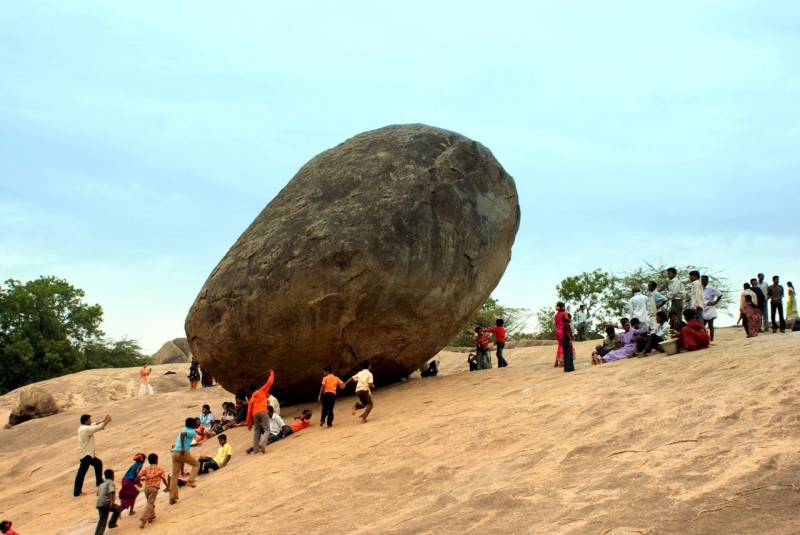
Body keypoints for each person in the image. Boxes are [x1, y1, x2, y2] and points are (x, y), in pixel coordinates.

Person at [74, 414, 112, 497]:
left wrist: (103, 421)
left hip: (88, 454)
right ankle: (77, 491)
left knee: (98, 463)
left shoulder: (84, 427)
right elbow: (96, 427)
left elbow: (94, 424)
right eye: (89, 420)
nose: (91, 421)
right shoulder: (85, 429)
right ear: (86, 421)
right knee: (82, 472)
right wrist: (106, 422)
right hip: (86, 454)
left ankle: (99, 482)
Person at [168, 417, 199, 504]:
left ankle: (172, 498)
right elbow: (183, 435)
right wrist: (182, 448)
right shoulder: (192, 431)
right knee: (196, 464)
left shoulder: (184, 429)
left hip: (175, 453)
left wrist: (195, 445)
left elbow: (186, 442)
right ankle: (190, 481)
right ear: (193, 424)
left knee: (174, 476)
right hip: (182, 453)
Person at [245, 370, 275, 455]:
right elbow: (269, 382)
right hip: (262, 411)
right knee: (267, 429)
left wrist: (249, 423)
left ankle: (255, 449)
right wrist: (272, 373)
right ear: (256, 388)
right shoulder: (262, 391)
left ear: (251, 391)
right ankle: (262, 443)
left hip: (255, 414)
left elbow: (249, 412)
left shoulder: (251, 399)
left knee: (256, 430)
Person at [137, 453, 167, 529]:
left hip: (146, 488)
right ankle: (144, 520)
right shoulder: (159, 469)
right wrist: (168, 486)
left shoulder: (146, 468)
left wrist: (139, 483)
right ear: (157, 460)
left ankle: (151, 517)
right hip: (154, 488)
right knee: (150, 503)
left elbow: (138, 476)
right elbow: (163, 479)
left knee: (149, 502)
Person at [95, 469, 122, 535]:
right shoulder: (110, 482)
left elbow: (98, 494)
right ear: (112, 476)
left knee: (102, 519)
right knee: (118, 508)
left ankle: (98, 533)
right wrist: (112, 501)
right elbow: (111, 491)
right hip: (106, 503)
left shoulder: (101, 484)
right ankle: (112, 524)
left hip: (99, 504)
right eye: (114, 475)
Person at [701, 275, 723, 341]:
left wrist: (715, 302)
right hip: (703, 308)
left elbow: (719, 294)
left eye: (704, 279)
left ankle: (711, 339)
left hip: (710, 308)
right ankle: (705, 338)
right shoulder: (700, 288)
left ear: (707, 280)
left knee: (710, 325)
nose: (702, 281)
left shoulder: (711, 288)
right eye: (701, 279)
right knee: (702, 325)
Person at [553, 302, 569, 368]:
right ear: (562, 307)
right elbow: (568, 320)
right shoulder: (564, 313)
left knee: (560, 345)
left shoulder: (556, 315)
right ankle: (561, 362)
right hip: (563, 330)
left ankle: (557, 361)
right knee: (564, 345)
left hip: (558, 331)